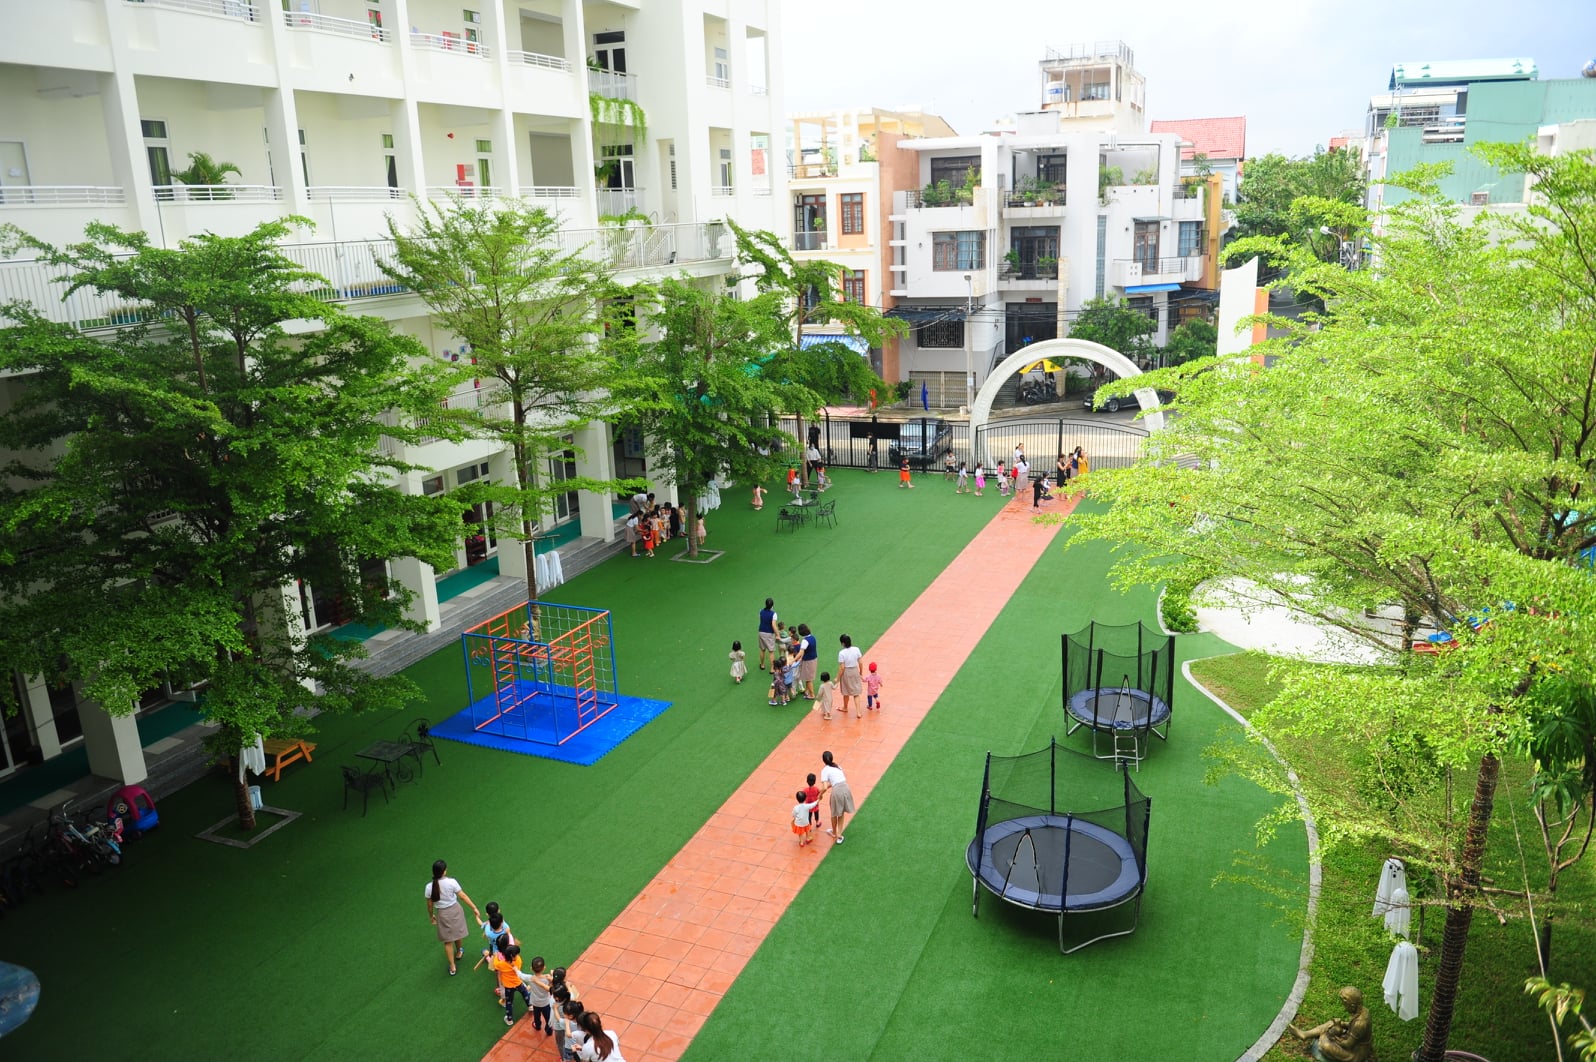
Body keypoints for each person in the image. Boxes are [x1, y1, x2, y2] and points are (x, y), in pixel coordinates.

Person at [1287, 986, 1375, 1062]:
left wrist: (1333, 1038)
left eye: (1345, 1005)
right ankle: (1305, 1034)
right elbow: (1352, 1028)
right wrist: (1341, 1024)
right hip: (1351, 1039)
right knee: (1331, 1023)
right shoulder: (1364, 1011)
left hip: (1354, 1053)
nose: (1344, 1008)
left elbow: (1347, 1045)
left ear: (1352, 1006)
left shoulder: (1359, 1024)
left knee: (1326, 1045)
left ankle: (1323, 1037)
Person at [425, 859, 481, 976]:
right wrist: (474, 907)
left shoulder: (429, 887)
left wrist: (431, 916)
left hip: (442, 914)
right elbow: (463, 896)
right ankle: (459, 951)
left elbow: (429, 905)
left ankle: (452, 966)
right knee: (457, 933)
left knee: (447, 941)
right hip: (455, 910)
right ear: (444, 871)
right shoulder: (451, 882)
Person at [490, 941, 532, 1026]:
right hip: (518, 982)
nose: (518, 955)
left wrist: (496, 956)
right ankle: (530, 1006)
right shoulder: (518, 961)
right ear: (513, 956)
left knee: (509, 1002)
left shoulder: (501, 964)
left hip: (508, 986)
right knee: (525, 993)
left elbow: (495, 964)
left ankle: (509, 1019)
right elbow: (516, 959)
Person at [819, 750, 856, 844]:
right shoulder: (837, 766)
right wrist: (822, 790)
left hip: (837, 791)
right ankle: (839, 834)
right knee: (841, 812)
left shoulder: (825, 770)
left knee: (834, 813)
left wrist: (820, 794)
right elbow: (834, 782)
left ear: (823, 760)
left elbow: (825, 787)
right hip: (846, 788)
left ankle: (835, 832)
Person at [478, 902, 514, 982]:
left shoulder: (488, 931)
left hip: (495, 951)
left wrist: (477, 916)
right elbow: (508, 933)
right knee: (507, 959)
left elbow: (482, 925)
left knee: (496, 965)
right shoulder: (505, 927)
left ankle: (488, 957)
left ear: (487, 914)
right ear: (499, 910)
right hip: (507, 948)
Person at [522, 955, 553, 1034]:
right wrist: (552, 977)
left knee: (536, 1016)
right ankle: (549, 1031)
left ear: (531, 968)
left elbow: (521, 975)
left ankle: (538, 1026)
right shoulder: (547, 979)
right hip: (545, 1003)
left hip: (535, 1003)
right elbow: (551, 987)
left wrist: (515, 970)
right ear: (544, 968)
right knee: (548, 1017)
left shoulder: (531, 978)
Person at [836, 633, 864, 717]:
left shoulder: (841, 653)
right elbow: (861, 662)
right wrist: (860, 673)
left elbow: (842, 668)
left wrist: (837, 678)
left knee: (846, 692)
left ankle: (845, 707)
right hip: (855, 670)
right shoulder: (856, 649)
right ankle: (858, 712)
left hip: (846, 673)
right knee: (856, 693)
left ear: (842, 643)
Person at [797, 623, 819, 699]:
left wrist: (794, 660)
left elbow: (801, 652)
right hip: (814, 659)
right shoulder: (812, 637)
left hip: (808, 661)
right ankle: (807, 691)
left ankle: (812, 695)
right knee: (808, 677)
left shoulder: (805, 641)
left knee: (809, 679)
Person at [757, 598, 778, 671]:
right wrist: (777, 634)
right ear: (772, 605)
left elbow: (761, 621)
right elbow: (773, 625)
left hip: (761, 632)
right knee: (771, 651)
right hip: (769, 633)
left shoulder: (761, 611)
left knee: (762, 649)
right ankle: (772, 668)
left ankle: (762, 665)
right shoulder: (774, 614)